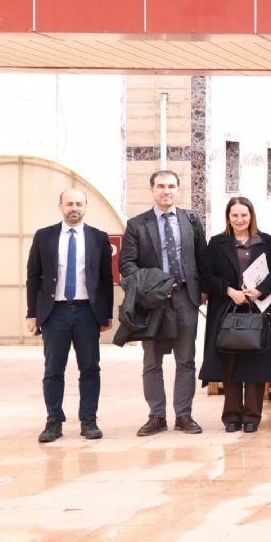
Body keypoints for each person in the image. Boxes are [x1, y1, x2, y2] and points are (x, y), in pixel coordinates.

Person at [119, 169, 208, 436]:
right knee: (152, 362)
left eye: (171, 186)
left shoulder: (191, 220)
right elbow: (127, 265)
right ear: (152, 190)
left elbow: (202, 259)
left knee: (186, 360)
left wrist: (203, 290)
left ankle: (184, 415)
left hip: (185, 297)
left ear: (178, 190)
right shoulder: (137, 224)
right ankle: (156, 416)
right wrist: (155, 286)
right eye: (160, 186)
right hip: (153, 302)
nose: (166, 191)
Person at [25, 189, 115, 442]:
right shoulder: (44, 236)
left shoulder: (98, 237)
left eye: (79, 203)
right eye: (69, 204)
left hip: (87, 311)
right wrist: (32, 313)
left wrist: (106, 314)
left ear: (85, 207)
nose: (74, 208)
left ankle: (89, 420)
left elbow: (106, 278)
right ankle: (54, 421)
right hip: (55, 312)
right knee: (53, 369)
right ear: (60, 206)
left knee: (90, 368)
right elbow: (33, 275)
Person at [200, 197, 271, 433]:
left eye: (244, 215)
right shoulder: (217, 242)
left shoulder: (266, 241)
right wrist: (230, 291)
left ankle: (251, 417)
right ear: (228, 217)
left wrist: (260, 290)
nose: (239, 219)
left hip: (259, 308)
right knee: (230, 363)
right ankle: (232, 417)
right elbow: (206, 274)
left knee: (257, 362)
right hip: (227, 308)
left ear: (251, 216)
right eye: (235, 215)